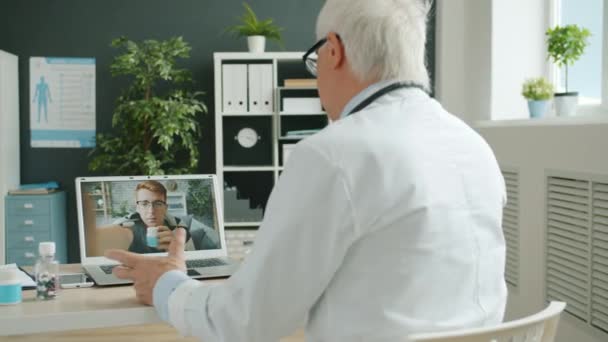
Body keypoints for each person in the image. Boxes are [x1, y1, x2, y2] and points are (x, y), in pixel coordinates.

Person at [107, 0, 507, 340]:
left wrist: (167, 284)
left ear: (334, 50)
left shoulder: (333, 153)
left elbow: (247, 320)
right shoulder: (474, 146)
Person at [117, 180, 191, 254]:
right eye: (144, 204)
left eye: (158, 204)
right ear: (137, 208)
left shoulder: (180, 228)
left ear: (165, 207)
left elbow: (196, 262)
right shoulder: (122, 229)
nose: (151, 211)